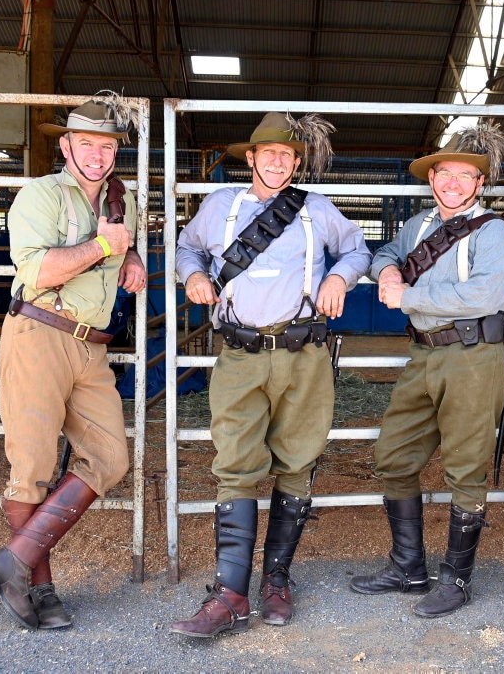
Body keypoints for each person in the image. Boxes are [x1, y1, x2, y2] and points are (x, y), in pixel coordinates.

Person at [171, 112, 371, 638]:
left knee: (298, 462)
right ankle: (229, 594)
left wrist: (340, 277)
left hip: (304, 354)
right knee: (235, 463)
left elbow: (357, 249)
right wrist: (192, 273)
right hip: (239, 355)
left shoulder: (315, 209)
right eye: (269, 154)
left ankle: (276, 580)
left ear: (296, 162)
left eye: (287, 155)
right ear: (252, 158)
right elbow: (186, 247)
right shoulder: (219, 207)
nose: (278, 161)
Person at [0, 91, 147, 630]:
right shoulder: (41, 195)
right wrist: (103, 247)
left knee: (111, 458)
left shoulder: (124, 201)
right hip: (39, 333)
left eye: (107, 145)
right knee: (32, 468)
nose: (97, 154)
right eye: (86, 143)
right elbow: (39, 272)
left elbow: (122, 240)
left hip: (91, 346)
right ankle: (39, 587)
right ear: (67, 146)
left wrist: (133, 254)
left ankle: (14, 561)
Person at [349, 122, 504, 618]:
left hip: (473, 357)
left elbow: (484, 295)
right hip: (423, 353)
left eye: (466, 176)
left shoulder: (494, 232)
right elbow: (385, 253)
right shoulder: (419, 226)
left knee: (466, 465)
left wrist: (409, 297)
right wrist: (388, 271)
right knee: (394, 455)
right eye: (446, 174)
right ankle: (409, 567)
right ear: (433, 178)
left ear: (479, 184)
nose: (454, 184)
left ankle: (457, 579)